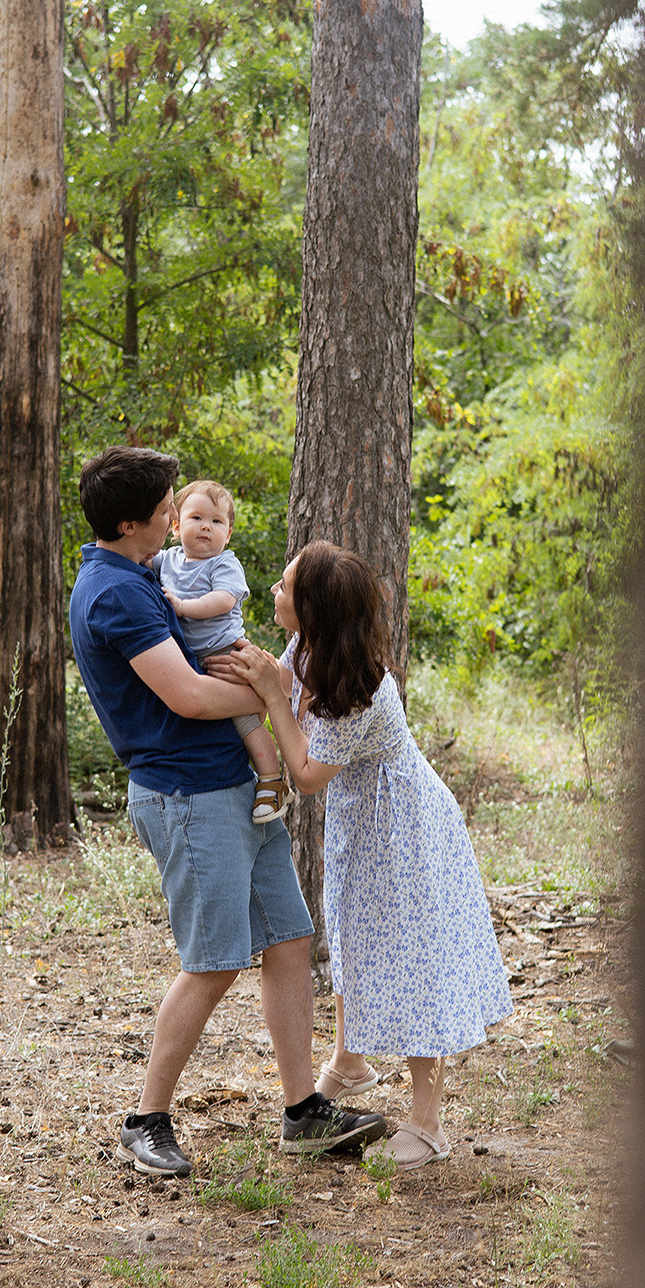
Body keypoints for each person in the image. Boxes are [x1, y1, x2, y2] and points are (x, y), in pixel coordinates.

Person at [68, 447, 387, 1177]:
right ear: (132, 521)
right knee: (212, 964)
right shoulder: (114, 593)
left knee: (288, 942)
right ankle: (147, 1118)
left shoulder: (143, 572)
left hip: (235, 785)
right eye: (164, 507)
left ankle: (304, 1111)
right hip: (188, 796)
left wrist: (277, 694)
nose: (174, 514)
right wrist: (280, 694)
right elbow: (188, 695)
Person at [221, 541, 514, 1171]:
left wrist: (273, 696)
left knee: (412, 957)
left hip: (404, 827)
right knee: (354, 939)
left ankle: (428, 1123)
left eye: (286, 586)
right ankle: (348, 1065)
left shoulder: (361, 692)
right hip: (363, 822)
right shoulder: (308, 650)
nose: (274, 589)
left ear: (314, 610)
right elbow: (286, 693)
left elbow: (304, 773)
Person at [152, 478, 289, 824]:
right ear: (176, 524)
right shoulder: (166, 560)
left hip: (227, 654)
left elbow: (222, 600)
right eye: (197, 518)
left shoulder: (223, 564)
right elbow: (134, 563)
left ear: (227, 535)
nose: (206, 527)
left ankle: (272, 783)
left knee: (245, 723)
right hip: (191, 661)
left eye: (217, 522)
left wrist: (182, 606)